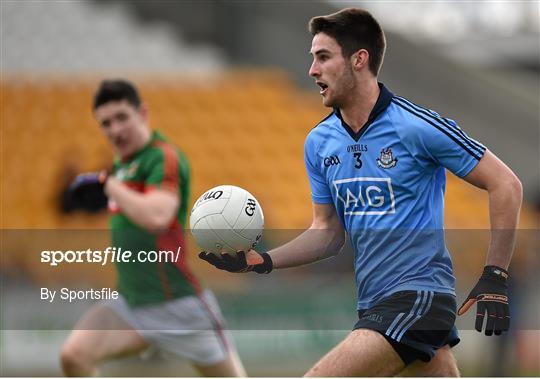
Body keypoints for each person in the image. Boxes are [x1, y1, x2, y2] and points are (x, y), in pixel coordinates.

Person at [199, 8, 523, 377]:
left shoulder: (416, 126)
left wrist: (495, 274)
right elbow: (328, 233)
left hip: (419, 298)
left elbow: (506, 184)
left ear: (359, 60)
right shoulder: (320, 142)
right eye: (312, 59)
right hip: (372, 304)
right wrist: (263, 261)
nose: (312, 70)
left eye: (323, 57)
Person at [60, 79, 246, 377]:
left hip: (179, 304)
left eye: (122, 117)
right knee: (74, 356)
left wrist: (109, 186)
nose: (115, 129)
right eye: (106, 123)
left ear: (142, 113)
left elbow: (158, 217)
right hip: (132, 303)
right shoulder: (123, 166)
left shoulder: (162, 156)